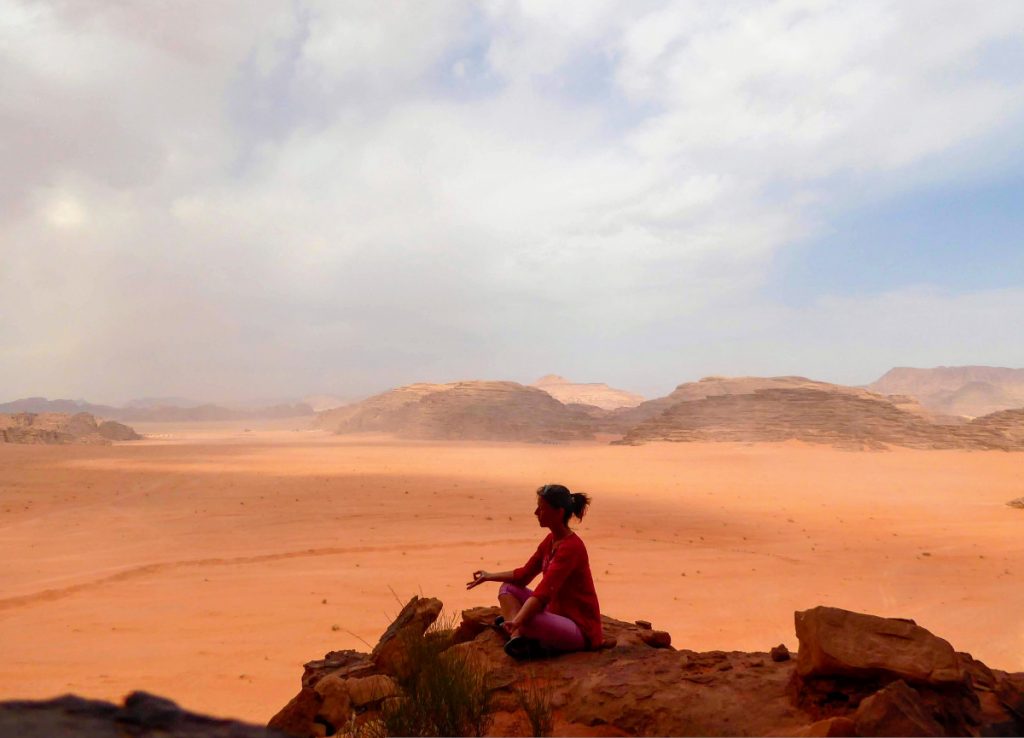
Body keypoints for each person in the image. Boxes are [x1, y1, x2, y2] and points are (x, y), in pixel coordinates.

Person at [466, 483, 602, 659]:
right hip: (556, 615)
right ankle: (517, 640)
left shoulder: (571, 548)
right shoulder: (550, 541)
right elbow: (524, 575)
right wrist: (489, 576)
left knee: (528, 618)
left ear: (559, 513)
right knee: (507, 588)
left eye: (542, 509)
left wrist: (517, 619)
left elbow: (542, 594)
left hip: (580, 629)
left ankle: (516, 628)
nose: (536, 513)